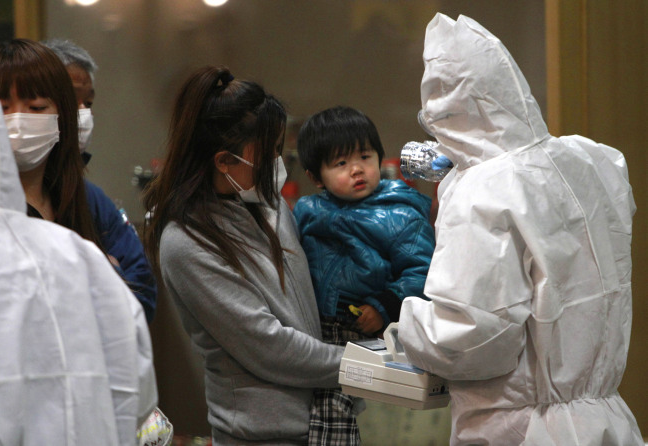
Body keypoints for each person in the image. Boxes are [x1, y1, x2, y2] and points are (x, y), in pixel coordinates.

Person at [397, 13, 643, 445]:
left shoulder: (483, 189)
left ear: (443, 109)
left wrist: (407, 324)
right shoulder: (591, 159)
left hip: (523, 428)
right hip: (604, 418)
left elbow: (473, 339)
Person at [143, 65, 345, 445]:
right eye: (267, 152)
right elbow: (268, 346)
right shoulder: (186, 241)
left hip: (321, 422)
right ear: (222, 161)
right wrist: (360, 367)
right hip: (259, 435)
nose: (277, 160)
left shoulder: (267, 203)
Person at [0, 105, 157, 444]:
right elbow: (134, 388)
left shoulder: (84, 214)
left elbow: (140, 290)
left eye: (36, 106)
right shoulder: (77, 254)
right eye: (5, 106)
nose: (20, 119)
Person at [293, 105, 435, 444]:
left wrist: (384, 305)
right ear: (316, 176)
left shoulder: (400, 214)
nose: (357, 169)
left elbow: (423, 271)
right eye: (341, 163)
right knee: (316, 418)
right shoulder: (307, 211)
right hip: (313, 330)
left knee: (350, 417)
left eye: (365, 157)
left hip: (365, 330)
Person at [42, 38, 158, 323]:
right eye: (71, 100)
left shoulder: (91, 200)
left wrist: (107, 274)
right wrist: (102, 272)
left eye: (88, 102)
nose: (82, 112)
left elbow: (143, 297)